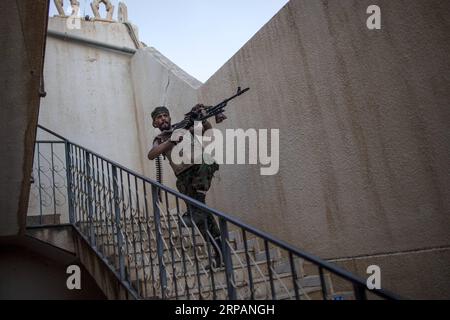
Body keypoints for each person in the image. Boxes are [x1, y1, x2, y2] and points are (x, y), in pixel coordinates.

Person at [147, 105, 227, 268]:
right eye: (159, 117)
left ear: (169, 118)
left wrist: (202, 118)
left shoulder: (183, 127)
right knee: (203, 220)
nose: (163, 119)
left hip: (200, 168)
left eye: (165, 116)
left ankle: (196, 209)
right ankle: (220, 254)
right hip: (184, 179)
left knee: (207, 160)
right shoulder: (160, 139)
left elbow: (206, 129)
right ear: (155, 123)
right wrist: (171, 140)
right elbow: (152, 154)